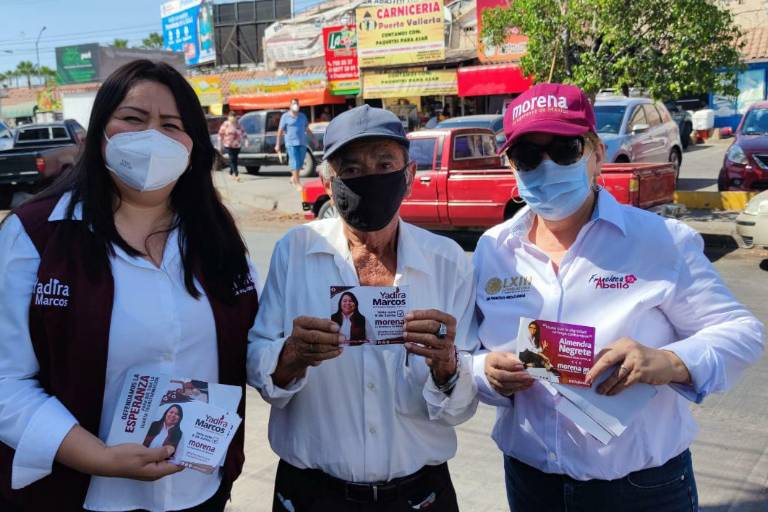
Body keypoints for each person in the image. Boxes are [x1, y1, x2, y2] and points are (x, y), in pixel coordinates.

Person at [471, 83, 764, 512]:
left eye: (565, 149)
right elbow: (469, 351)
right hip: (533, 485)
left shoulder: (660, 241)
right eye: (529, 156)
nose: (547, 167)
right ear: (511, 166)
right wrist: (484, 371)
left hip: (642, 491)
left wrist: (667, 361)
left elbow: (744, 332)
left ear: (597, 153)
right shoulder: (492, 249)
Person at [0, 60, 260, 511]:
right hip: (79, 496)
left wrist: (291, 355)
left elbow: (249, 348)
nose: (153, 137)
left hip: (198, 491)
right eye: (134, 119)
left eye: (171, 124)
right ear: (101, 130)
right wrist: (95, 455)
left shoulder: (219, 238)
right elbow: (6, 381)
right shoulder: (36, 235)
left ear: (193, 144)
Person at [248, 105, 479, 511]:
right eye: (351, 170)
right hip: (311, 495)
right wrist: (290, 356)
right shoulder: (296, 250)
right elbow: (256, 356)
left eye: (384, 163)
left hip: (418, 496)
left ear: (408, 175)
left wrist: (447, 365)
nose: (369, 177)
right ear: (329, 181)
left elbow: (464, 399)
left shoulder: (447, 261)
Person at [276, 98, 312, 190]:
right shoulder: (285, 117)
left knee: (300, 163)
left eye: (297, 103)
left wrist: (314, 139)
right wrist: (277, 144)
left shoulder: (302, 116)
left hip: (302, 142)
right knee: (295, 162)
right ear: (290, 105)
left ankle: (293, 178)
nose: (296, 105)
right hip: (291, 143)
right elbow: (280, 131)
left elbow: (307, 129)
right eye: (294, 103)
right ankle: (297, 183)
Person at [218, 111, 248, 181]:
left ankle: (230, 173)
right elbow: (220, 134)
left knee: (235, 160)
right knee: (232, 159)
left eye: (234, 117)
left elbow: (243, 132)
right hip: (228, 144)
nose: (233, 119)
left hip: (237, 145)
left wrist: (246, 141)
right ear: (228, 117)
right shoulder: (226, 124)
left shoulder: (238, 124)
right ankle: (236, 174)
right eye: (231, 117)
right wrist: (220, 145)